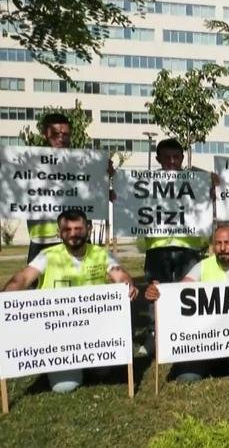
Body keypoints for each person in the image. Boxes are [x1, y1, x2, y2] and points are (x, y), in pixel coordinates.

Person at [2, 209, 138, 393]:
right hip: (58, 335)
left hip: (94, 330)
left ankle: (90, 364)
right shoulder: (47, 255)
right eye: (67, 230)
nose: (73, 234)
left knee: (104, 372)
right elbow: (23, 278)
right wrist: (5, 297)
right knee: (64, 387)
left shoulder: (101, 254)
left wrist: (128, 286)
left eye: (78, 228)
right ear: (59, 233)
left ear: (88, 229)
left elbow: (121, 276)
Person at [144, 224, 229, 382]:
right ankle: (215, 361)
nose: (222, 248)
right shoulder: (204, 265)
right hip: (206, 340)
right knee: (186, 377)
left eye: (227, 243)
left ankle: (227, 362)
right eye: (218, 243)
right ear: (213, 245)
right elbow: (179, 291)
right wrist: (159, 292)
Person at [138, 138, 207, 356]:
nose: (171, 161)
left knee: (188, 293)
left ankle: (185, 333)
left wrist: (213, 187)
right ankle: (154, 334)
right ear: (157, 158)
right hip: (157, 247)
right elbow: (130, 206)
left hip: (189, 247)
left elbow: (207, 204)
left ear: (182, 158)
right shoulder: (146, 183)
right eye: (166, 157)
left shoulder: (196, 182)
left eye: (176, 157)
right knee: (155, 292)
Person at [25, 113, 72, 262]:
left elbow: (99, 196)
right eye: (56, 133)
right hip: (42, 238)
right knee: (35, 284)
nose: (61, 137)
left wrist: (105, 175)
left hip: (74, 237)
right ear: (45, 134)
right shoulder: (29, 162)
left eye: (65, 134)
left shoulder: (82, 162)